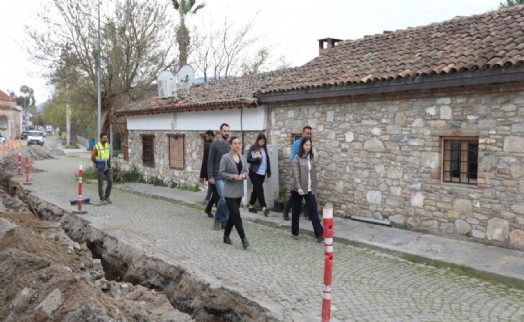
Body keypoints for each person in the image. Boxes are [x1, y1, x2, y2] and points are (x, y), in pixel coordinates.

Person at [219, 136, 250, 249]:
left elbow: (246, 171)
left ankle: (226, 236)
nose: (237, 145)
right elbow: (221, 173)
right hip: (229, 192)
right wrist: (233, 177)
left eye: (238, 143)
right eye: (235, 143)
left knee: (233, 215)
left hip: (239, 191)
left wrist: (243, 175)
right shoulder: (225, 158)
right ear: (231, 145)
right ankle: (243, 239)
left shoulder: (242, 157)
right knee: (237, 215)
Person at [291, 136, 323, 242]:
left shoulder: (311, 157)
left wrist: (314, 187)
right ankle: (295, 232)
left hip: (309, 188)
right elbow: (296, 174)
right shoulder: (297, 157)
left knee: (313, 210)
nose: (308, 147)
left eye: (309, 145)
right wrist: (299, 188)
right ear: (302, 146)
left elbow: (312, 173)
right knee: (296, 210)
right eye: (306, 145)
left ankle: (319, 234)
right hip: (298, 189)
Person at [283, 125, 312, 221]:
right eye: (307, 133)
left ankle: (311, 214)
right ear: (303, 133)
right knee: (296, 193)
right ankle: (286, 210)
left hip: (306, 173)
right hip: (297, 173)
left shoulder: (309, 144)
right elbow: (293, 158)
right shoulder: (297, 144)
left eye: (310, 134)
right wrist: (295, 173)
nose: (309, 135)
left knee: (308, 193)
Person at [207, 123, 231, 229]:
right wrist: (210, 176)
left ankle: (224, 221)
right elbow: (210, 161)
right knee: (223, 198)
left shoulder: (230, 145)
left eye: (228, 131)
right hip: (217, 176)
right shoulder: (214, 144)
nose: (226, 133)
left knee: (227, 199)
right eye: (225, 131)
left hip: (228, 176)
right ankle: (217, 219)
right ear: (220, 131)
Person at [246, 133, 271, 216]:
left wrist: (268, 171)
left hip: (262, 173)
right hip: (254, 172)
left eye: (264, 141)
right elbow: (248, 159)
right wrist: (257, 159)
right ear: (258, 140)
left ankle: (250, 206)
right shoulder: (253, 148)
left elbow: (267, 161)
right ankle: (264, 208)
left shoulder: (265, 148)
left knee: (256, 190)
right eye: (261, 141)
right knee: (260, 189)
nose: (262, 143)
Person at [91, 132, 113, 205]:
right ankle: (102, 199)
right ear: (101, 138)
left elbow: (109, 156)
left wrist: (109, 163)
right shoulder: (97, 147)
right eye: (104, 138)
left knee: (110, 181)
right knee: (100, 184)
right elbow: (92, 158)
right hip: (100, 167)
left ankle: (107, 197)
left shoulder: (108, 145)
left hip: (108, 166)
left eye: (106, 138)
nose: (105, 139)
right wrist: (97, 164)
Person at [200, 130, 216, 217]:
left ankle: (208, 208)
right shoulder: (209, 146)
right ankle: (219, 213)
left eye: (207, 136)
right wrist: (202, 175)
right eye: (205, 137)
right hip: (211, 174)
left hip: (215, 173)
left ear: (211, 136)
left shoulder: (214, 145)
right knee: (217, 193)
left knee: (216, 193)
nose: (206, 138)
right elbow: (205, 161)